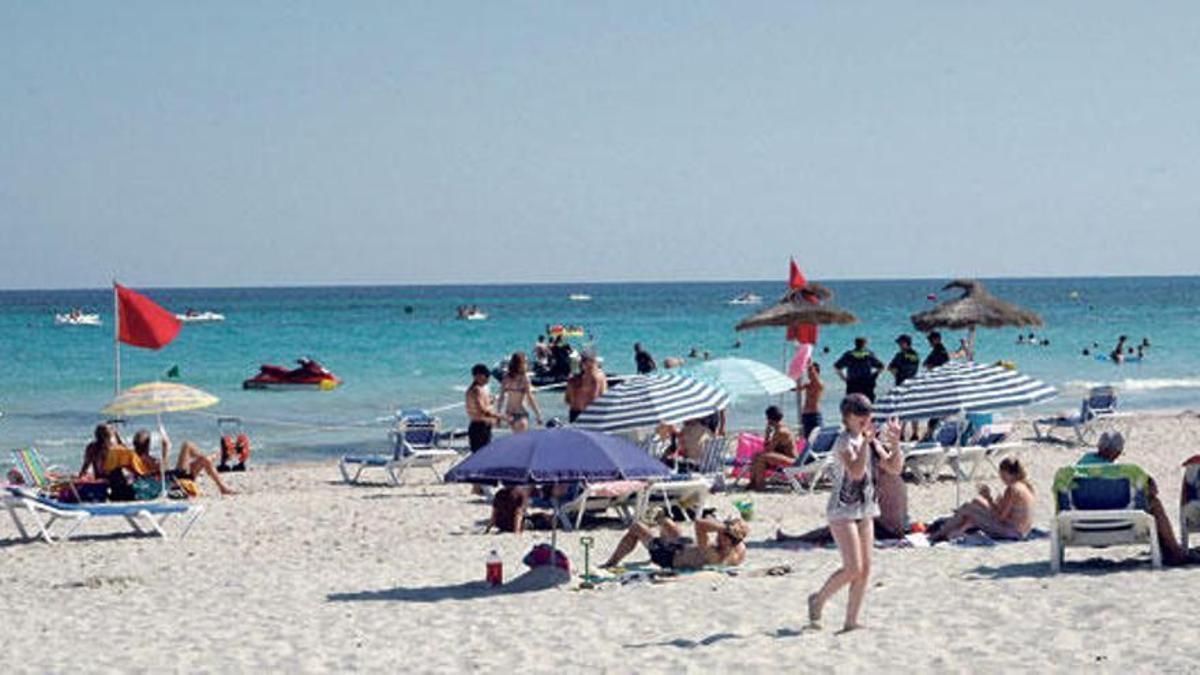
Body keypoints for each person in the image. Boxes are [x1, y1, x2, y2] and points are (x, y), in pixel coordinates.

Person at [807, 395, 901, 632]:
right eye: (860, 414)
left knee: (865, 569)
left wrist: (896, 443)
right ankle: (818, 599)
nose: (866, 419)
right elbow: (857, 473)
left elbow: (894, 467)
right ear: (848, 417)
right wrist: (866, 444)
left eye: (868, 414)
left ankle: (851, 621)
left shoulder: (869, 440)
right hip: (842, 510)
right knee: (852, 568)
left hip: (866, 508)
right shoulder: (844, 441)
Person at [1076, 432, 1193, 565]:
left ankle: (1169, 551)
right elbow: (1153, 490)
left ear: (1099, 447)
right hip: (1121, 524)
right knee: (1154, 503)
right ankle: (1175, 552)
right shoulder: (1126, 472)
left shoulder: (1078, 469)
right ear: (1117, 452)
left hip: (1084, 525)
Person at [927, 458, 1033, 542]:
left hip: (1011, 531)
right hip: (1022, 531)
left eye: (1002, 475)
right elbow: (1008, 513)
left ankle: (938, 535)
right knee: (976, 502)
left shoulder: (1012, 489)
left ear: (1008, 473)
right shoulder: (1026, 485)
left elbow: (1000, 517)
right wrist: (994, 502)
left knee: (967, 508)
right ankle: (957, 529)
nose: (1001, 478)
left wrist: (989, 498)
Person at [601, 512, 749, 570]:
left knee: (636, 527)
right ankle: (659, 519)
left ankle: (611, 562)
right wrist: (731, 529)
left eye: (720, 534)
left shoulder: (713, 553)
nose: (717, 535)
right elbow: (740, 533)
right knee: (669, 525)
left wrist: (724, 527)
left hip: (668, 555)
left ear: (727, 540)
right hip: (685, 545)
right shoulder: (739, 550)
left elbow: (699, 523)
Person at [132, 428, 236, 496]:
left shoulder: (137, 457)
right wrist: (165, 449)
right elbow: (163, 472)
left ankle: (216, 457)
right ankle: (222, 485)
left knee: (194, 451)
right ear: (148, 444)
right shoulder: (145, 459)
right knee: (194, 450)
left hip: (175, 476)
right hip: (175, 480)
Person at [749, 406, 797, 491]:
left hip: (791, 460)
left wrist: (767, 435)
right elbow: (769, 449)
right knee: (757, 456)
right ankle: (753, 483)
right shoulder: (782, 428)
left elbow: (768, 450)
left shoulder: (780, 432)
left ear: (769, 419)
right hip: (785, 457)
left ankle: (759, 485)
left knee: (761, 458)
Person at [497, 352, 543, 433]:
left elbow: (501, 398)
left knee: (515, 439)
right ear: (521, 364)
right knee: (522, 441)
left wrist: (498, 414)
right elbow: (530, 398)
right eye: (525, 362)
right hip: (520, 413)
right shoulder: (524, 378)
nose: (526, 364)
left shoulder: (506, 377)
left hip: (509, 413)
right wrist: (538, 414)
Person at [466, 364, 503, 453]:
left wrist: (491, 401)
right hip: (479, 427)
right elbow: (482, 411)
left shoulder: (481, 389)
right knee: (481, 455)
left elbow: (484, 406)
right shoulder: (476, 390)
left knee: (484, 454)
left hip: (482, 426)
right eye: (486, 376)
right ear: (478, 376)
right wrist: (501, 417)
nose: (488, 379)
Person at [834, 337, 884, 402]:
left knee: (852, 404)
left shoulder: (849, 354)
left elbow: (836, 367)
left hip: (852, 382)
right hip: (867, 382)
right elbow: (881, 367)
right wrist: (874, 376)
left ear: (855, 344)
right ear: (865, 344)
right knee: (868, 404)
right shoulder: (869, 354)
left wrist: (844, 378)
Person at [800, 362, 824, 441]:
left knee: (817, 438)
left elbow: (815, 377)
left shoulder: (819, 384)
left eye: (810, 371)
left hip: (814, 415)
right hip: (805, 416)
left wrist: (809, 363)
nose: (809, 374)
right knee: (807, 439)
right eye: (808, 372)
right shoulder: (807, 385)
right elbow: (795, 388)